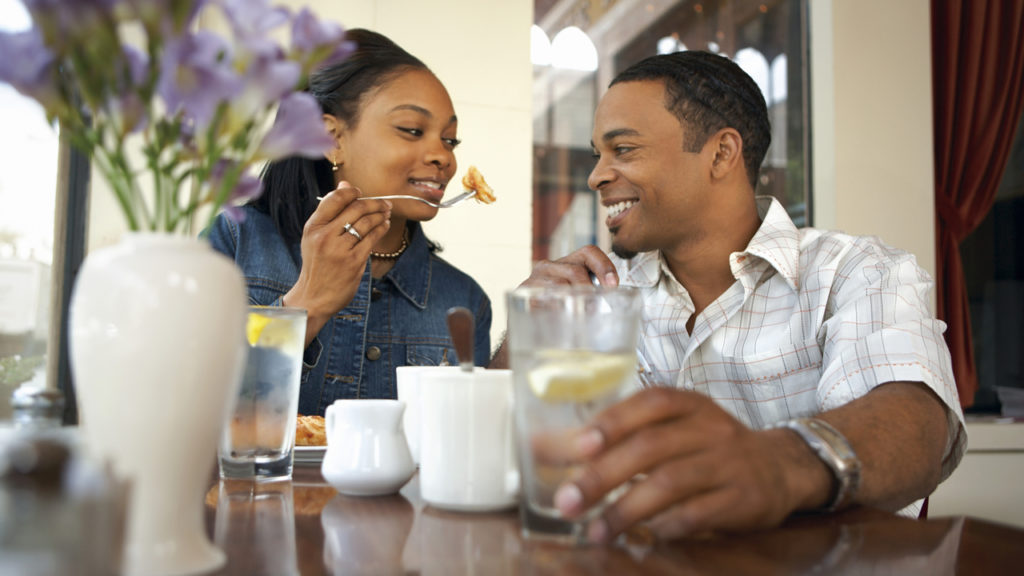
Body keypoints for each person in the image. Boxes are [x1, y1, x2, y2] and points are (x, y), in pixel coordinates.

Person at [491, 50, 966, 543]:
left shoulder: (853, 273)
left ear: (721, 154)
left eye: (624, 150)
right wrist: (525, 336)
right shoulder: (604, 299)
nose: (596, 177)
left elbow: (914, 428)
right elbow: (508, 450)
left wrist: (776, 464)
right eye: (598, 156)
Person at [209, 29, 492, 416]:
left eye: (450, 140)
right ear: (332, 139)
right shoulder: (236, 242)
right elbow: (187, 401)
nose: (443, 157)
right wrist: (307, 303)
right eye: (412, 130)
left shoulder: (464, 301)